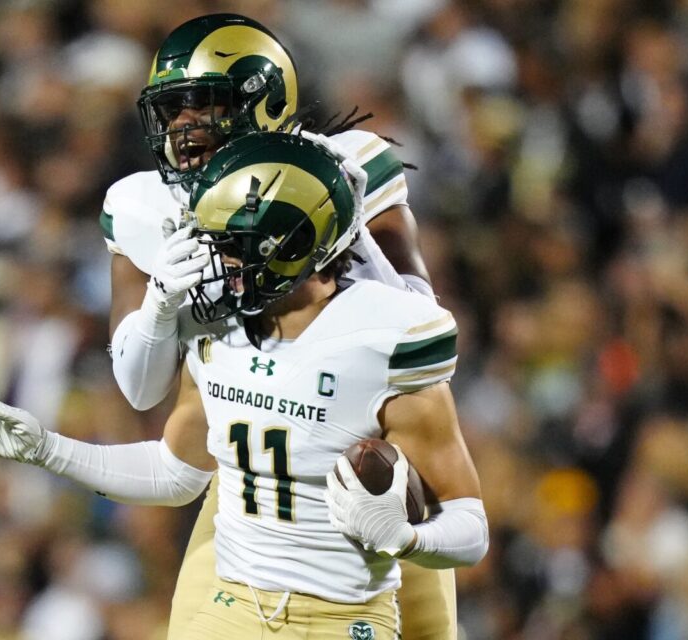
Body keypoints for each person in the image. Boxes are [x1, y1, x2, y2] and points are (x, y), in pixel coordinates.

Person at [0, 133, 488, 639]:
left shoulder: (385, 336)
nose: (219, 261)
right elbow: (173, 472)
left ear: (297, 244)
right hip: (227, 610)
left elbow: (470, 528)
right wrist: (48, 450)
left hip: (341, 619)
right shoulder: (215, 327)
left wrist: (407, 538)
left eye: (237, 244)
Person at [102, 13, 460, 639]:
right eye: (173, 110)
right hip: (253, 477)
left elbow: (418, 315)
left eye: (202, 106)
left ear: (259, 103)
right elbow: (139, 388)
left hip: (373, 464)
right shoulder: (141, 205)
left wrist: (333, 219)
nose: (183, 127)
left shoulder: (345, 165)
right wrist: (162, 298)